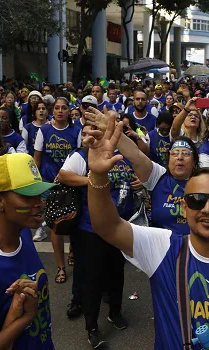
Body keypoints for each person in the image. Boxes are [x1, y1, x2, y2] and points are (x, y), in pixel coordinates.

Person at [82, 116, 209, 349]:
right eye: (197, 201)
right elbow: (108, 226)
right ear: (185, 206)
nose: (208, 209)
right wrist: (97, 175)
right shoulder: (162, 249)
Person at [58, 121, 133, 347]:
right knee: (91, 279)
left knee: (116, 273)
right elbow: (64, 175)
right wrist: (93, 180)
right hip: (90, 229)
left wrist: (138, 182)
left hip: (120, 226)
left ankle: (115, 312)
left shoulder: (125, 153)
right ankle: (92, 326)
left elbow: (142, 169)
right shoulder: (83, 154)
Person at [0, 153, 54, 349]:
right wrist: (25, 317)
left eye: (39, 193)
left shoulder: (23, 234)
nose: (39, 202)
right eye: (27, 195)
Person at [33, 97, 80, 282]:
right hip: (49, 185)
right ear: (53, 111)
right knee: (55, 227)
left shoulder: (76, 131)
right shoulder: (43, 131)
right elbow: (36, 160)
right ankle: (60, 267)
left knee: (74, 223)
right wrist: (37, 186)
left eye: (64, 108)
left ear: (69, 111)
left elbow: (79, 158)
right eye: (57, 108)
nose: (60, 111)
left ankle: (73, 252)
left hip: (70, 185)